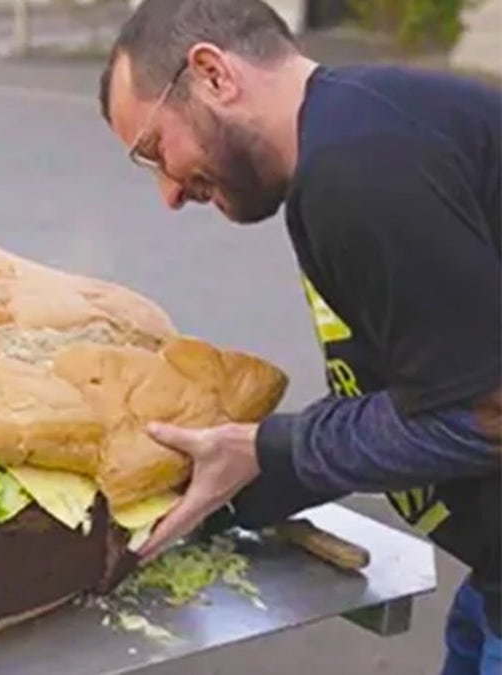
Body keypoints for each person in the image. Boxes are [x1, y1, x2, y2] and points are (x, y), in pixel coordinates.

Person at [96, 0, 501, 672]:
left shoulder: (361, 173)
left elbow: (487, 413)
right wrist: (261, 472)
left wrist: (272, 449)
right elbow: (428, 389)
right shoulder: (357, 131)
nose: (168, 191)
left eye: (155, 149)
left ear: (212, 74)